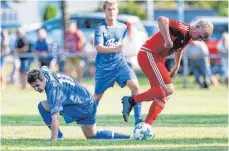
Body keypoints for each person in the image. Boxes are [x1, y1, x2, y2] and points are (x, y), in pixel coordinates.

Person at [122, 16, 214, 125]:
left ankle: (145, 126)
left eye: (202, 39)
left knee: (163, 96)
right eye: (200, 36)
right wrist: (167, 39)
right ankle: (131, 101)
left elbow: (179, 48)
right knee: (168, 89)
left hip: (157, 59)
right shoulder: (182, 28)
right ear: (197, 27)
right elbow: (161, 19)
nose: (200, 39)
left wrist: (177, 65)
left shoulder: (188, 37)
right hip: (149, 54)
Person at [27, 66, 130, 141]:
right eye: (33, 87)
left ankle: (58, 137)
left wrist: (53, 140)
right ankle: (129, 137)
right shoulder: (44, 73)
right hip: (89, 103)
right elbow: (44, 67)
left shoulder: (53, 89)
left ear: (43, 79)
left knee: (42, 106)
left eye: (37, 85)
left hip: (82, 107)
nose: (36, 89)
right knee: (92, 136)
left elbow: (55, 118)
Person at [93, 0, 142, 125]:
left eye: (114, 9)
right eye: (109, 9)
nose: (111, 12)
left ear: (117, 10)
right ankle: (89, 119)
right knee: (97, 96)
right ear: (104, 11)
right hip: (104, 68)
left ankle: (138, 121)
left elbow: (131, 30)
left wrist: (132, 33)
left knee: (135, 86)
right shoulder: (100, 28)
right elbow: (98, 47)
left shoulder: (123, 26)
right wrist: (115, 49)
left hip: (120, 64)